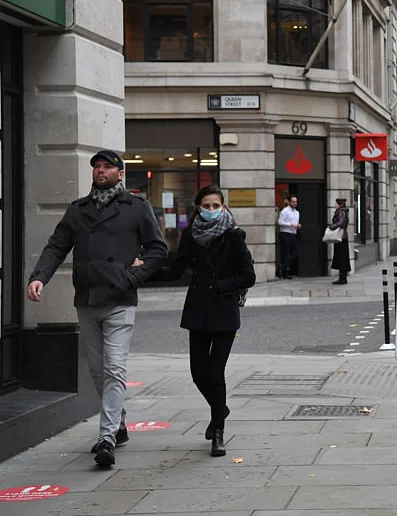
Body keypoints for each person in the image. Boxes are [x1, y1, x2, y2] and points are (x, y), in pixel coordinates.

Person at [26, 150, 167, 467]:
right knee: (97, 370)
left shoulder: (136, 207)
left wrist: (133, 277)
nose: (101, 171)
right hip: (87, 300)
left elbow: (158, 249)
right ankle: (118, 423)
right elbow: (56, 246)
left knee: (114, 368)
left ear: (120, 173)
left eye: (107, 167)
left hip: (120, 299)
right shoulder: (78, 210)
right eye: (97, 167)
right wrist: (39, 278)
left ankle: (107, 438)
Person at [151, 185, 255, 457]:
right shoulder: (191, 235)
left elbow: (248, 276)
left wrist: (221, 287)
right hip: (198, 311)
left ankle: (218, 432)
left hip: (223, 311)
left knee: (215, 372)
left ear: (223, 207)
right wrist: (143, 271)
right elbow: (176, 269)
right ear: (198, 207)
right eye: (206, 206)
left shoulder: (233, 236)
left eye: (215, 206)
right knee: (198, 373)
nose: (211, 210)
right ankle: (220, 408)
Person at [277, 196, 301, 279]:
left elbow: (295, 223)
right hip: (285, 234)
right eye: (293, 202)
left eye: (296, 202)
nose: (295, 203)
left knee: (296, 252)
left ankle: (282, 268)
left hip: (293, 234)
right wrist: (290, 224)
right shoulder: (285, 211)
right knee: (285, 253)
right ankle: (285, 273)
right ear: (290, 202)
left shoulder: (297, 212)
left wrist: (297, 226)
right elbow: (280, 222)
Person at [330, 197, 351, 284]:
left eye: (336, 203)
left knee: (342, 257)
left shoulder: (341, 211)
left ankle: (342, 278)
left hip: (340, 237)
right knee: (342, 257)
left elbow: (341, 222)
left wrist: (332, 226)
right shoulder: (343, 211)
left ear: (339, 204)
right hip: (342, 237)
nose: (335, 205)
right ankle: (342, 277)